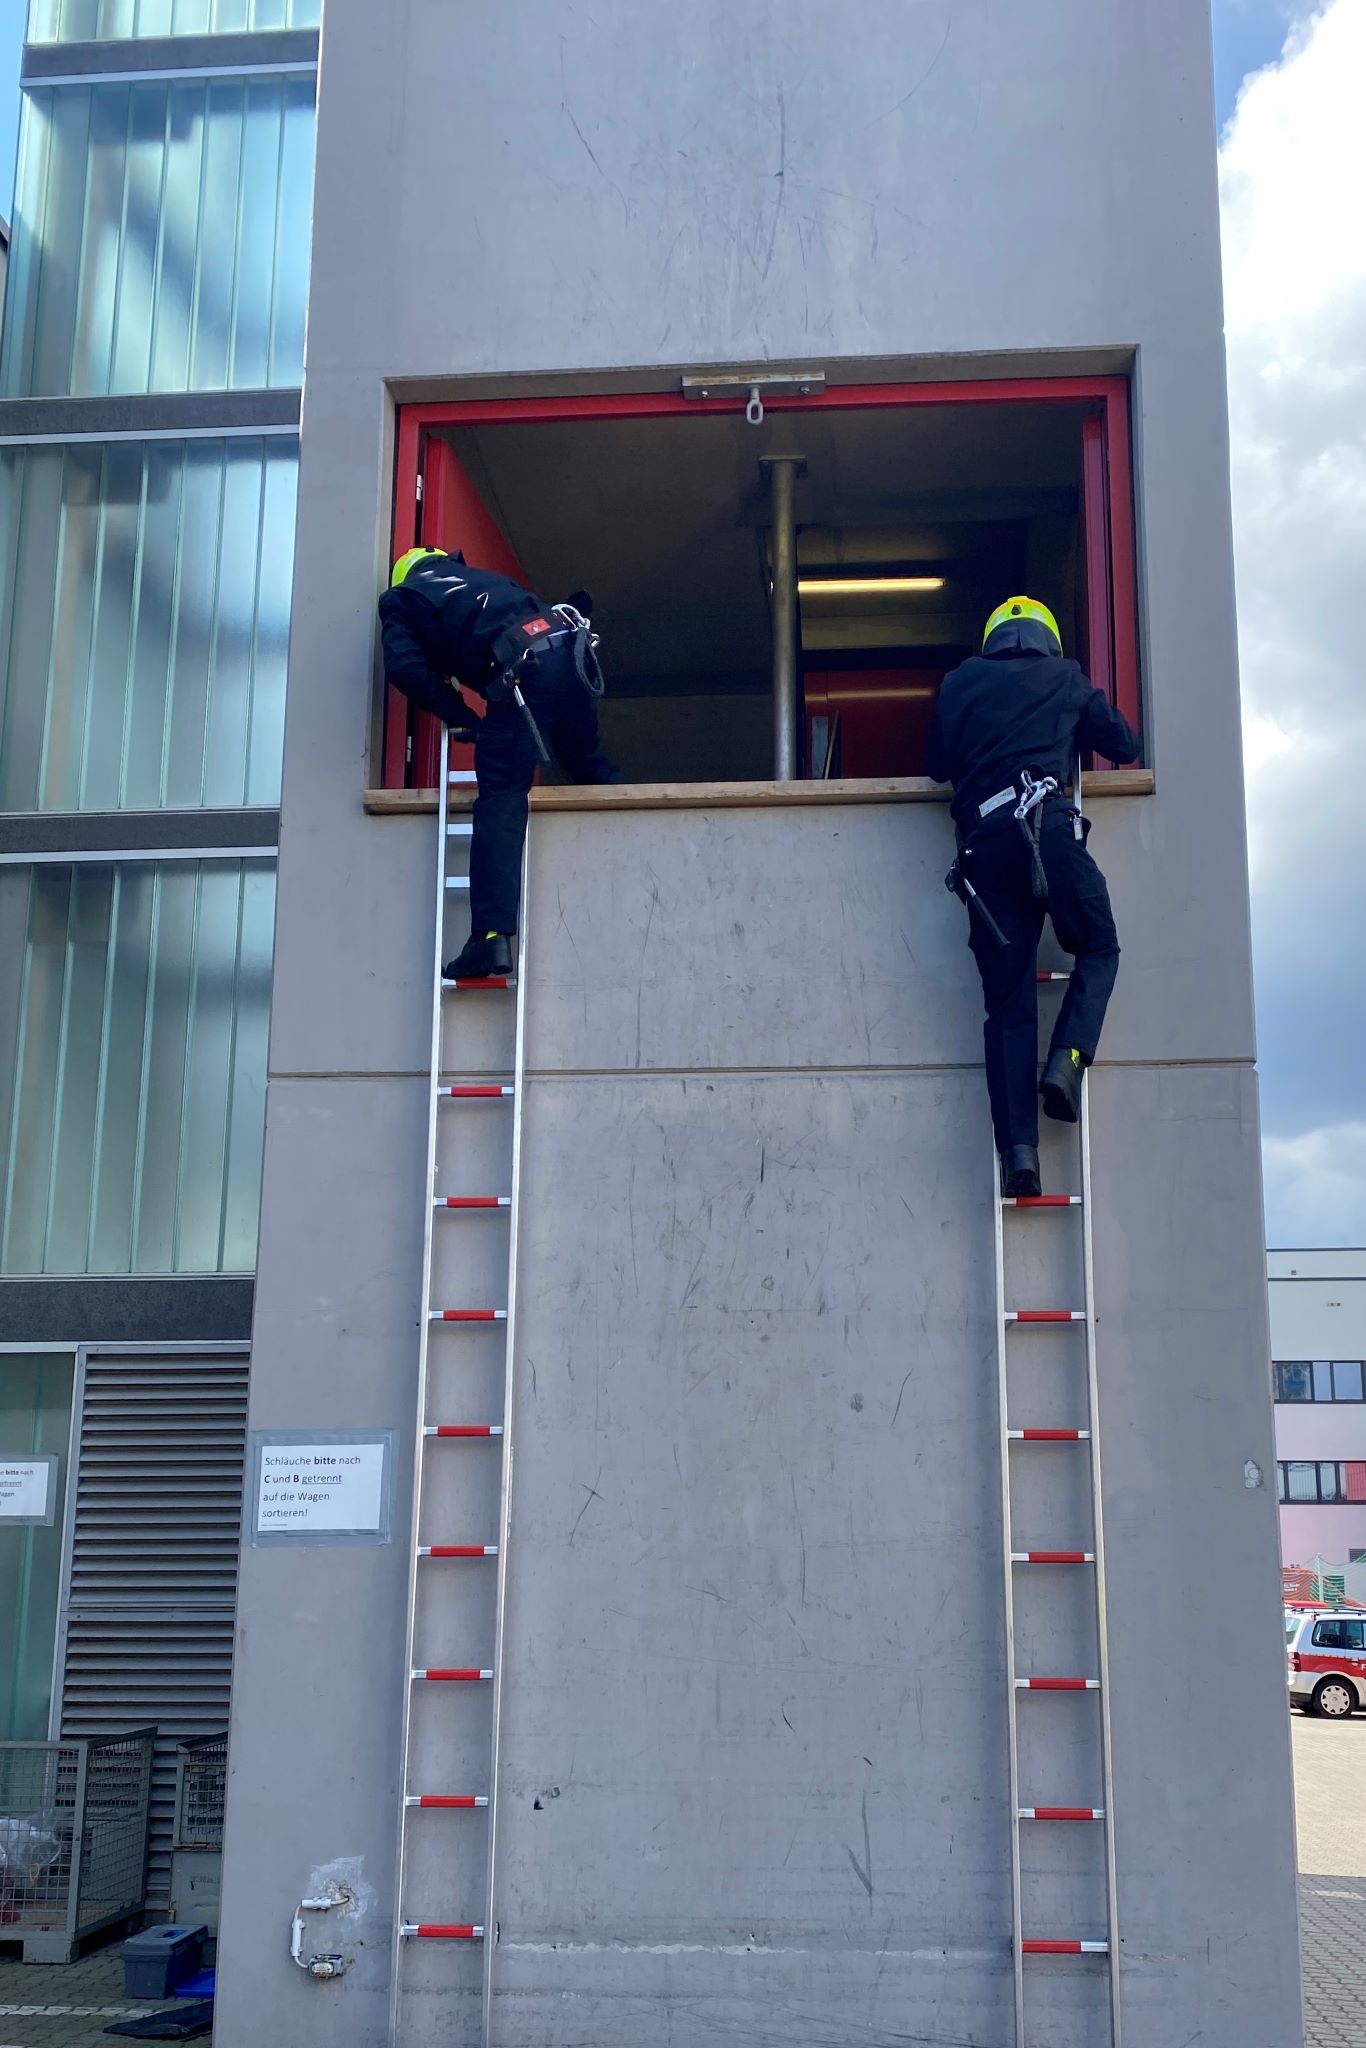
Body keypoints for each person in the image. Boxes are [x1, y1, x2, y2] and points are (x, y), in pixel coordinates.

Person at [926, 595, 1140, 1198]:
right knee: (1098, 947)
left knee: (1008, 1005)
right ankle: (1065, 1063)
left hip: (986, 855)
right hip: (1048, 830)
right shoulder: (1065, 678)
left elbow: (936, 764)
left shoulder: (959, 684)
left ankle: (1020, 1154)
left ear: (992, 639)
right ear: (1047, 641)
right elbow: (1122, 744)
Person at [378, 547, 619, 979]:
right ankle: (633, 841)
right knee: (588, 762)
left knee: (501, 801)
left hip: (524, 670)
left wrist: (462, 716)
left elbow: (405, 668)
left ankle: (489, 940)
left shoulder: (402, 599)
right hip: (571, 650)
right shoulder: (487, 580)